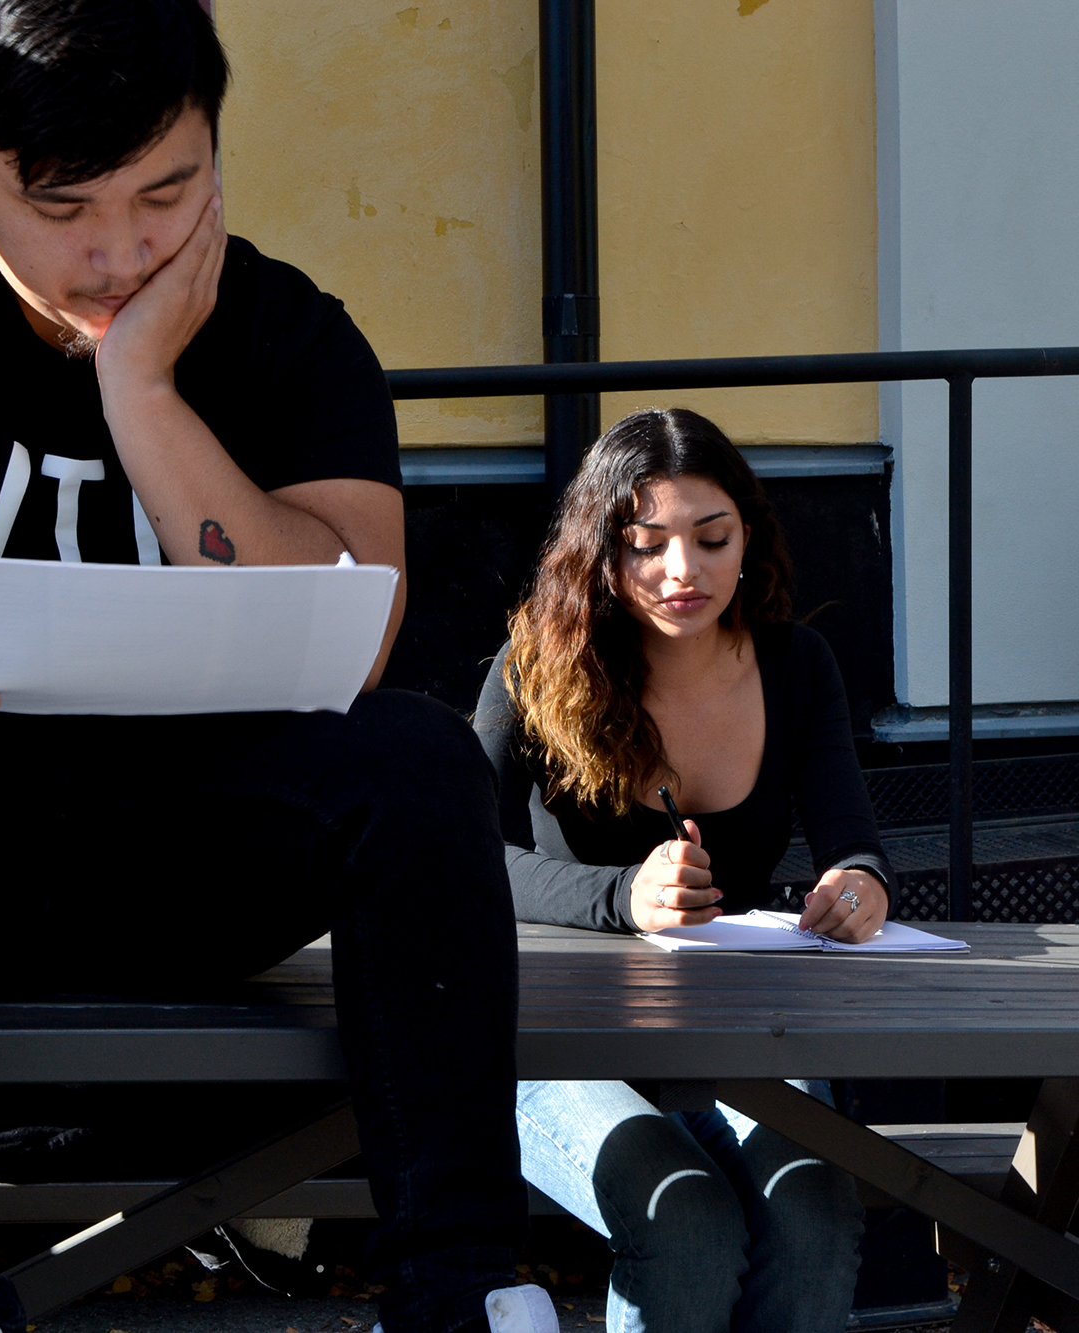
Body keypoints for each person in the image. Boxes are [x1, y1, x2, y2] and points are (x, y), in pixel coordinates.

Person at [0, 4, 546, 1332]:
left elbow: (355, 633)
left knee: (423, 760)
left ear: (216, 143)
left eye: (169, 191)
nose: (120, 251)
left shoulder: (282, 331)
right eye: (66, 206)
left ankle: (467, 1288)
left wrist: (141, 393)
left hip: (168, 853)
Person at [473, 407, 884, 1333]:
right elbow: (463, 859)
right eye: (646, 544)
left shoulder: (796, 664)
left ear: (750, 536)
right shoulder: (535, 664)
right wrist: (624, 898)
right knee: (683, 1213)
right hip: (548, 1037)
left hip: (726, 1025)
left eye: (711, 538)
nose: (682, 572)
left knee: (812, 1207)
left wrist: (859, 889)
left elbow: (853, 841)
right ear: (598, 552)